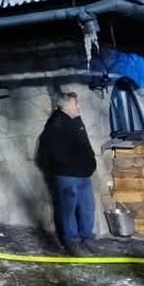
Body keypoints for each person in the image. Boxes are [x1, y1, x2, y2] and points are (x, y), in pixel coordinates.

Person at [36, 90, 97, 253]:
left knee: (88, 207)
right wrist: (64, 166)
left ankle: (86, 237)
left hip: (84, 174)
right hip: (67, 175)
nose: (79, 106)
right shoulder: (55, 124)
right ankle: (72, 240)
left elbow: (85, 144)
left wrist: (91, 162)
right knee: (68, 209)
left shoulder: (77, 121)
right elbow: (49, 152)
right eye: (75, 103)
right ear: (66, 106)